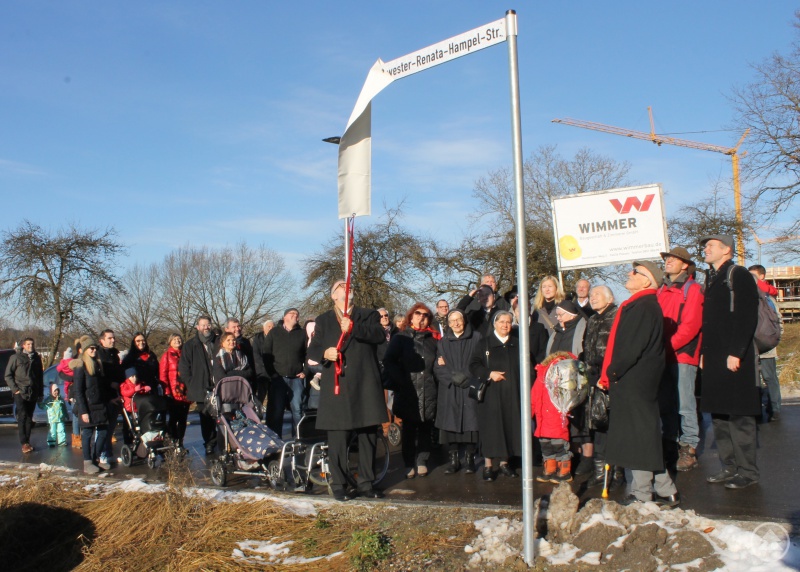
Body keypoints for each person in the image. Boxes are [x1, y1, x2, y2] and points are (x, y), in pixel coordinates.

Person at [600, 261, 680, 507]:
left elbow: (632, 347)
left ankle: (642, 493)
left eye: (635, 272)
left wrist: (612, 372)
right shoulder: (640, 305)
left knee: (638, 435)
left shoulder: (644, 306)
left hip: (635, 378)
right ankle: (666, 489)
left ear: (646, 281)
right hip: (633, 378)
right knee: (640, 432)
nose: (629, 273)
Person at [307, 280, 388, 501]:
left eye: (349, 284)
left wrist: (353, 327)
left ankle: (366, 482)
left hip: (365, 384)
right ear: (333, 296)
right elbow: (312, 350)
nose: (347, 286)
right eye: (341, 286)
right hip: (338, 385)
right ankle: (339, 483)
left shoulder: (368, 314)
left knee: (367, 436)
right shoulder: (323, 320)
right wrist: (326, 353)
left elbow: (379, 336)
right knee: (338, 438)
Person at [700, 235, 760, 489]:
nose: (706, 249)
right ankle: (729, 467)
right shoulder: (711, 278)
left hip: (735, 356)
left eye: (711, 246)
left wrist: (736, 352)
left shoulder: (739, 274)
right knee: (720, 415)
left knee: (740, 416)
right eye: (705, 246)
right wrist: (704, 352)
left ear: (726, 250)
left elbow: (747, 316)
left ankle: (747, 471)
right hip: (714, 357)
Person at [469, 311, 545, 481]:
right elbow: (473, 365)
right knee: (491, 429)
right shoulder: (484, 343)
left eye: (509, 322)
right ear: (495, 324)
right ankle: (488, 465)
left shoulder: (518, 344)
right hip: (491, 395)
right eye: (502, 321)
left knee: (510, 428)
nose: (505, 325)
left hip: (513, 395)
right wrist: (489, 373)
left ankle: (504, 463)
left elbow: (529, 369)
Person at [657, 246, 704, 472]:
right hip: (663, 354)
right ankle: (670, 443)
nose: (668, 262)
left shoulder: (692, 289)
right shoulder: (661, 289)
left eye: (673, 259)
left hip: (682, 354)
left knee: (685, 404)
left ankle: (689, 447)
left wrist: (666, 347)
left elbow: (691, 326)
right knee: (666, 403)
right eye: (667, 259)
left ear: (685, 264)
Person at [383, 302, 441, 479]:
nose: (421, 317)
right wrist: (401, 380)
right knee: (408, 429)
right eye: (418, 314)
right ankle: (408, 463)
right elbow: (389, 361)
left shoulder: (434, 340)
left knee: (425, 427)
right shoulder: (401, 338)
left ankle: (422, 460)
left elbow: (440, 362)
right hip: (408, 390)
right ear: (411, 317)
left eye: (425, 315)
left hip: (429, 389)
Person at [580, 285, 620, 488]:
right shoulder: (593, 319)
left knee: (612, 426)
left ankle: (615, 471)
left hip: (610, 379)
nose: (592, 298)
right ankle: (600, 470)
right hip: (593, 378)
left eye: (597, 295)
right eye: (591, 295)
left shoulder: (616, 317)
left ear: (609, 298)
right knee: (598, 424)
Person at [434, 309, 482, 475]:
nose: (456, 323)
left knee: (471, 425)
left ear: (464, 320)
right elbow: (438, 367)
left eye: (458, 320)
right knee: (450, 425)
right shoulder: (443, 342)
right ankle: (454, 460)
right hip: (451, 389)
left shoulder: (476, 338)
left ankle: (470, 459)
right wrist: (453, 377)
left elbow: (480, 361)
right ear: (448, 324)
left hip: (469, 386)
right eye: (452, 321)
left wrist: (467, 377)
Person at [546, 299, 590, 475]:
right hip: (559, 383)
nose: (558, 317)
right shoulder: (557, 331)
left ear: (571, 315)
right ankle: (574, 455)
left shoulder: (581, 328)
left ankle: (587, 458)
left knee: (582, 422)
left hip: (577, 380)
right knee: (567, 422)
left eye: (560, 314)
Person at [263, 308, 308, 437]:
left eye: (297, 314)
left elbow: (307, 354)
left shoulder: (302, 333)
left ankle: (299, 439)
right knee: (277, 411)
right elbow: (266, 355)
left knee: (297, 411)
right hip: (279, 378)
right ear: (284, 317)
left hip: (296, 378)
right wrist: (272, 374)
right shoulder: (274, 333)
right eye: (292, 313)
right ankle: (275, 440)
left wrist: (305, 371)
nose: (295, 315)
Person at [533, 354, 575, 483]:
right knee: (545, 444)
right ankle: (550, 467)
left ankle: (564, 470)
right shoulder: (542, 374)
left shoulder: (564, 374)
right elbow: (535, 394)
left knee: (559, 444)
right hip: (543, 416)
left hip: (556, 415)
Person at [179, 315, 218, 455]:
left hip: (218, 385)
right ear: (197, 327)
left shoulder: (218, 341)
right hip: (200, 387)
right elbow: (183, 368)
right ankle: (209, 443)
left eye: (208, 325)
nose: (206, 327)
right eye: (203, 325)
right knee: (206, 417)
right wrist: (191, 383)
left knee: (222, 416)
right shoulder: (190, 345)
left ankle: (224, 441)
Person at [749, 264, 784, 422]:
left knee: (761, 378)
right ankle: (772, 409)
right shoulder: (767, 297)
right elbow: (778, 321)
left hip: (758, 345)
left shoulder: (760, 298)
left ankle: (763, 409)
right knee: (767, 378)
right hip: (763, 344)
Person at [72, 339, 111, 473]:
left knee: (103, 432)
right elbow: (78, 391)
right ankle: (87, 462)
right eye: (91, 348)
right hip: (87, 406)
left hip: (100, 405)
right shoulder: (80, 366)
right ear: (84, 350)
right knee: (88, 433)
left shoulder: (98, 364)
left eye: (95, 348)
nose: (94, 351)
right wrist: (83, 411)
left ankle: (95, 458)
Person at [5, 337, 44, 454]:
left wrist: (40, 393)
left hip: (33, 392)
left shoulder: (36, 358)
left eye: (32, 344)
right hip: (20, 391)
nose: (30, 346)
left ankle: (28, 441)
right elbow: (8, 375)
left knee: (29, 417)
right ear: (23, 345)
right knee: (22, 415)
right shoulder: (16, 357)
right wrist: (15, 389)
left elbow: (40, 377)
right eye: (28, 344)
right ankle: (24, 443)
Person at [96, 330, 124, 464]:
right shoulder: (98, 354)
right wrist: (109, 383)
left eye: (114, 338)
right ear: (102, 340)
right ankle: (101, 454)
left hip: (115, 394)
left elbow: (118, 372)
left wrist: (118, 382)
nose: (113, 340)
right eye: (109, 338)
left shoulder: (114, 354)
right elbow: (98, 376)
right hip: (104, 395)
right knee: (102, 428)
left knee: (111, 427)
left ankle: (108, 453)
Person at [160, 333, 189, 450]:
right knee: (173, 418)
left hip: (185, 391)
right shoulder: (166, 356)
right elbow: (163, 375)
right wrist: (166, 391)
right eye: (174, 339)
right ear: (170, 342)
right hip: (173, 392)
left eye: (179, 339)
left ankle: (180, 441)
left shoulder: (186, 354)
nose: (177, 341)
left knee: (183, 419)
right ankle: (172, 439)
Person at [57, 346, 81, 448]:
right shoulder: (75, 361)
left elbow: (59, 369)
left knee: (78, 414)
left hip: (72, 389)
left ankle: (77, 437)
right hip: (73, 390)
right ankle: (76, 437)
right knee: (76, 414)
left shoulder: (63, 364)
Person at [250, 319, 274, 413]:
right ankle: (258, 413)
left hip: (274, 372)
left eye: (272, 327)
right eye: (269, 326)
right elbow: (256, 355)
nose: (271, 328)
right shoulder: (258, 339)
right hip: (262, 372)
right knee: (261, 395)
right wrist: (264, 367)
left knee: (272, 396)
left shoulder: (276, 338)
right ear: (264, 328)